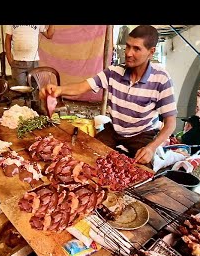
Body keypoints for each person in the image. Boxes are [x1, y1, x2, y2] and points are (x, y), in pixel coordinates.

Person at [40, 25, 177, 165]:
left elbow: (170, 123)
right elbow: (83, 87)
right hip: (115, 130)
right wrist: (58, 90)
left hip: (141, 135)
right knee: (86, 155)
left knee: (142, 171)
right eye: (128, 46)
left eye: (136, 49)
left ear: (151, 52)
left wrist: (151, 148)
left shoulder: (161, 79)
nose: (129, 53)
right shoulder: (114, 72)